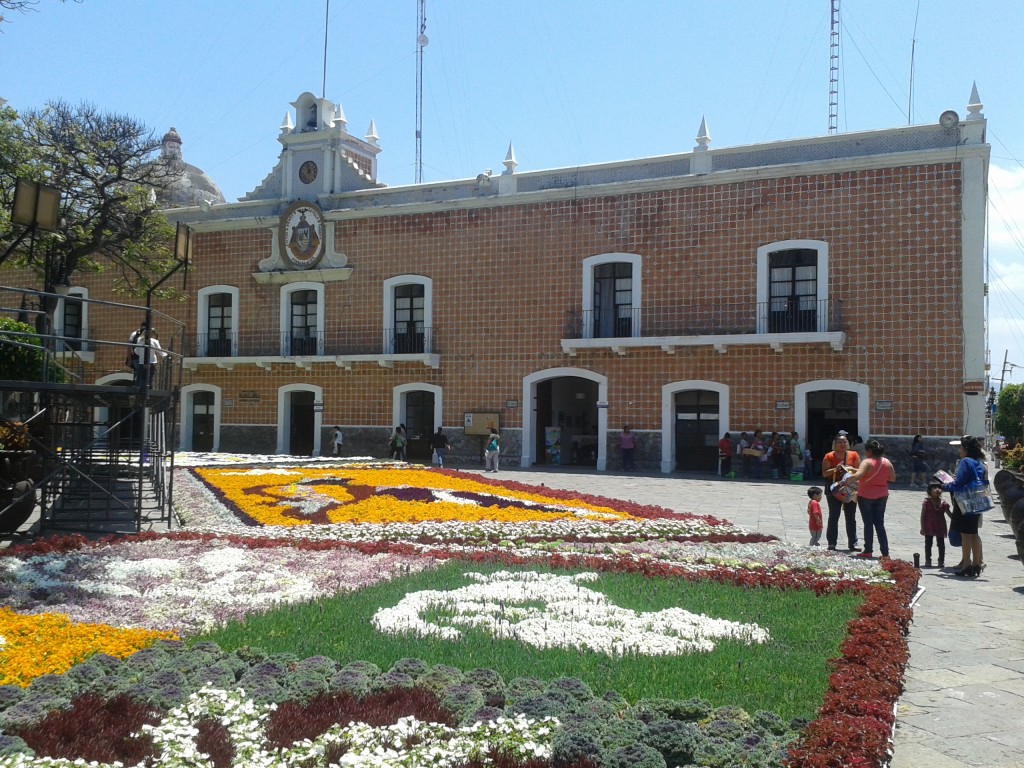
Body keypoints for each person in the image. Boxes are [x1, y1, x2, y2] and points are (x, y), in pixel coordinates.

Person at [940, 435, 988, 577]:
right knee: (973, 534)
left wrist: (944, 485)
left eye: (961, 447)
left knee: (965, 535)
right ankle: (977, 564)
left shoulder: (965, 461)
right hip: (977, 502)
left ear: (966, 449)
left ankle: (966, 565)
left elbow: (958, 483)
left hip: (964, 503)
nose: (959, 450)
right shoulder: (980, 462)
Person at [840, 439, 895, 559]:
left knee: (868, 524)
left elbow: (858, 476)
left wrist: (846, 479)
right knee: (880, 524)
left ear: (869, 451)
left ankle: (868, 550)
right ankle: (885, 552)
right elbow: (892, 478)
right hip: (882, 495)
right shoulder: (886, 462)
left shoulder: (867, 462)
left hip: (866, 496)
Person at [821, 431, 861, 551]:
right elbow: (824, 473)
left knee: (851, 516)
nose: (842, 444)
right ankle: (832, 543)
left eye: (844, 442)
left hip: (850, 488)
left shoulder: (853, 455)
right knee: (834, 515)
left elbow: (859, 471)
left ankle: (853, 543)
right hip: (834, 489)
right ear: (835, 444)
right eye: (839, 442)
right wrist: (835, 469)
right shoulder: (829, 456)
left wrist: (849, 468)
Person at [920, 482, 950, 567]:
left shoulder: (943, 503)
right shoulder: (927, 502)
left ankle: (941, 561)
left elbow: (949, 514)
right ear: (930, 491)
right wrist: (922, 527)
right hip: (929, 526)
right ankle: (928, 560)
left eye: (939, 488)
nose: (938, 490)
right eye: (935, 488)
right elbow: (923, 515)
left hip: (940, 526)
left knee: (941, 544)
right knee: (928, 544)